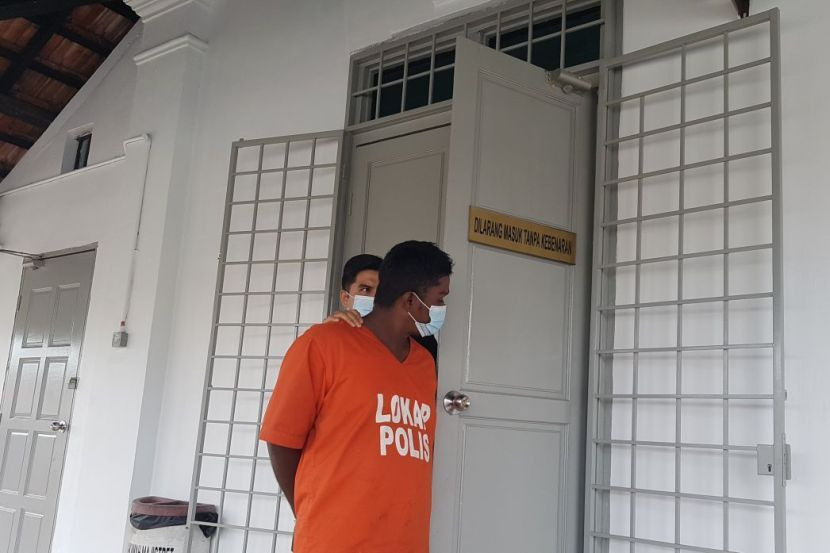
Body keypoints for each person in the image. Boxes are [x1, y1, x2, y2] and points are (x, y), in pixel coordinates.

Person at [260, 241, 453, 553]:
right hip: (334, 541)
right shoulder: (323, 344)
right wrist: (310, 512)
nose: (443, 307)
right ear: (410, 300)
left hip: (406, 541)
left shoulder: (424, 363)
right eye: (440, 298)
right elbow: (282, 441)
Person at [329, 253, 439, 362]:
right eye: (365, 289)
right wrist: (329, 330)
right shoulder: (331, 337)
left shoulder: (415, 339)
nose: (376, 298)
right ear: (345, 298)